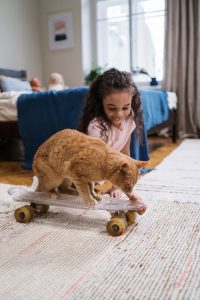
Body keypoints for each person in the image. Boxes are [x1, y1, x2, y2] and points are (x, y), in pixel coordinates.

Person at [78, 68, 146, 211]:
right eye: (111, 108)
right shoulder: (96, 127)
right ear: (100, 103)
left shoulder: (130, 118)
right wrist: (124, 191)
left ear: (131, 103)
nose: (119, 114)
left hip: (108, 173)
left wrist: (118, 187)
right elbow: (93, 165)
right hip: (90, 172)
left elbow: (124, 153)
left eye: (125, 107)